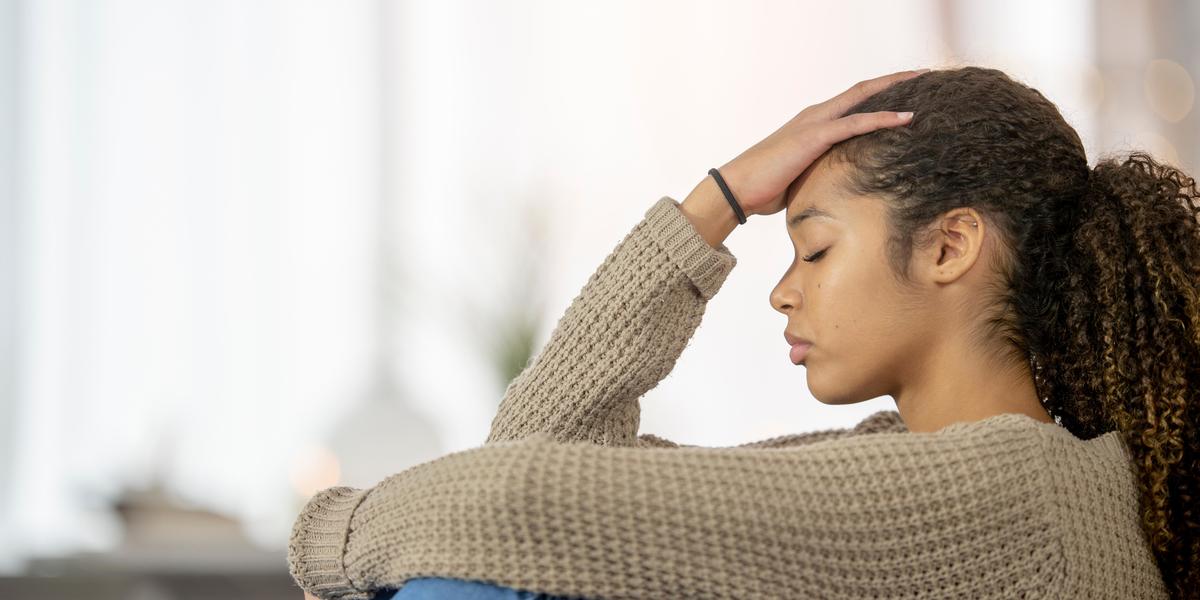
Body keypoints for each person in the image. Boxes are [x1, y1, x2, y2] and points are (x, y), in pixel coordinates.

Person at [291, 66, 1198, 599]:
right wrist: (716, 204)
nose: (782, 293)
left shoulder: (1000, 489)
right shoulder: (1004, 465)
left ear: (950, 245)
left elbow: (507, 502)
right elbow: (541, 461)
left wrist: (330, 541)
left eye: (812, 249)